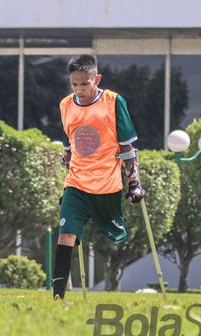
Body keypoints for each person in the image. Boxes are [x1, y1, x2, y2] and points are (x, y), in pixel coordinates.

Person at [52, 55, 144, 299]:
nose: (80, 90)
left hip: (107, 185)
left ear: (97, 79)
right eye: (74, 85)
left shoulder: (114, 102)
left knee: (114, 237)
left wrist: (134, 183)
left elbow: (127, 148)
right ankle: (57, 296)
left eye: (85, 84)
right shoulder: (65, 105)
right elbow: (68, 140)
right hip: (76, 183)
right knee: (66, 234)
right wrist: (67, 158)